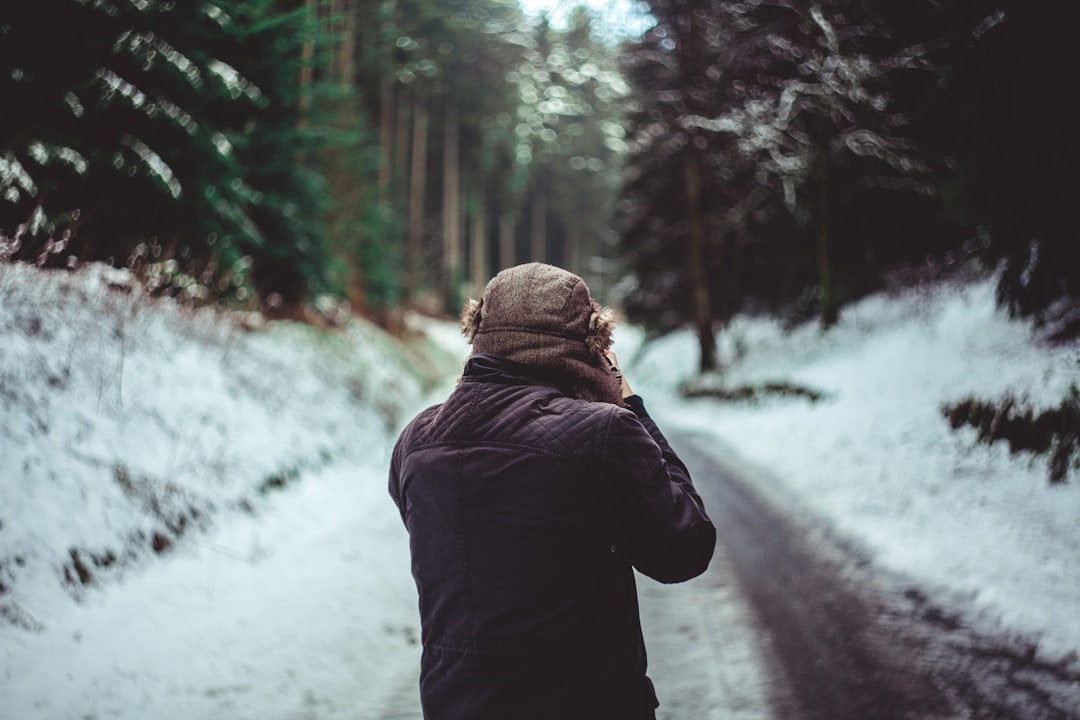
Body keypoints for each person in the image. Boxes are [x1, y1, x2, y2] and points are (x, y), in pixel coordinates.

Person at [388, 262, 716, 720]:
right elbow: (685, 546)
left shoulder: (416, 440)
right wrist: (631, 404)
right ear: (591, 346)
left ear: (480, 333)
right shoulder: (606, 431)